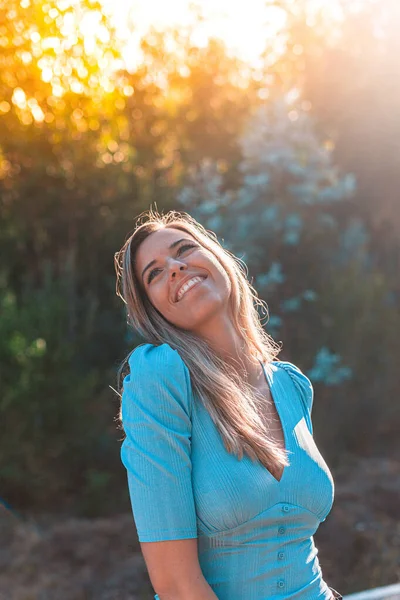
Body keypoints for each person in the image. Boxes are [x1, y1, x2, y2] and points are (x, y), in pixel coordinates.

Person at [114, 208, 343, 600]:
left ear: (219, 259)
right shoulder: (161, 379)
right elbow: (176, 586)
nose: (174, 267)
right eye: (154, 273)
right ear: (153, 310)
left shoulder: (291, 385)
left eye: (184, 249)